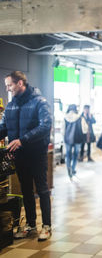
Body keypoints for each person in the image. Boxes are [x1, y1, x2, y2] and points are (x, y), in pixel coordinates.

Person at [0, 71, 52, 241]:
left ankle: (46, 226)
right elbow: (4, 127)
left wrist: (23, 140)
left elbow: (45, 126)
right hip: (20, 156)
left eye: (10, 85)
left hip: (37, 155)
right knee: (26, 191)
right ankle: (30, 225)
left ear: (20, 83)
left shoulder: (39, 102)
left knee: (42, 190)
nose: (7, 89)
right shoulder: (11, 106)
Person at [62, 104, 87, 180]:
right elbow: (85, 129)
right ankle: (73, 169)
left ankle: (68, 169)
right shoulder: (80, 118)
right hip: (78, 138)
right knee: (76, 155)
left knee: (68, 155)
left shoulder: (65, 118)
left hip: (68, 139)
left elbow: (62, 130)